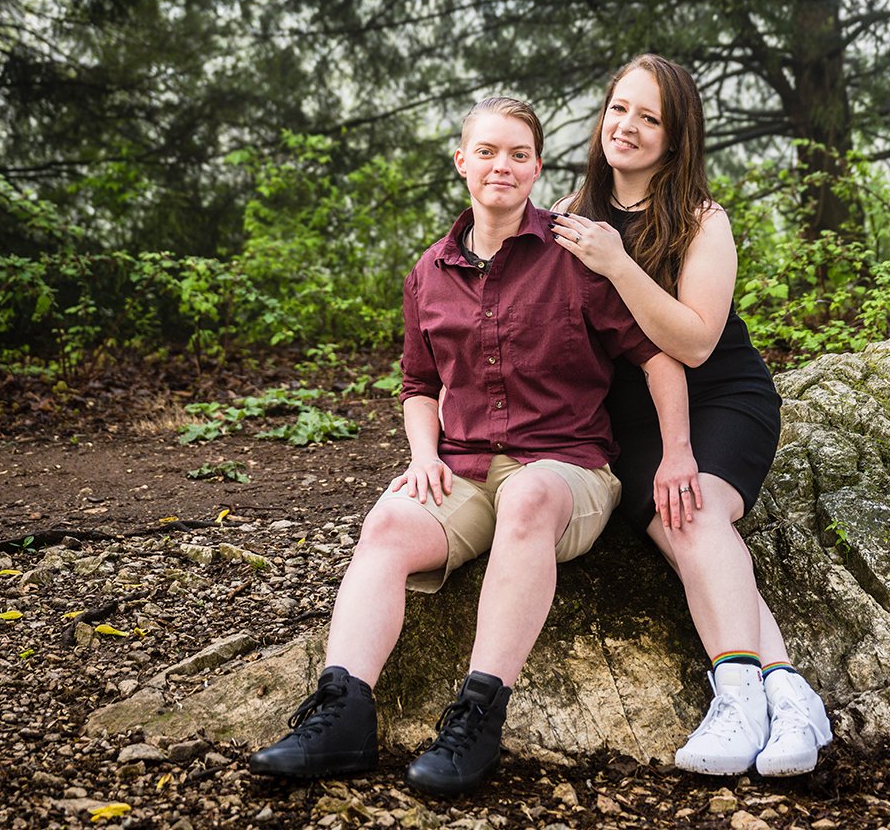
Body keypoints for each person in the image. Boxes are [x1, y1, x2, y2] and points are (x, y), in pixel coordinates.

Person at [247, 96, 696, 795]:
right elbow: (417, 384)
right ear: (462, 162)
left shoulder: (574, 253)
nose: (502, 166)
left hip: (565, 466)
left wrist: (677, 453)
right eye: (487, 152)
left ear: (538, 169)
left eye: (519, 154)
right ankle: (342, 718)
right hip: (464, 467)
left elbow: (657, 356)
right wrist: (423, 457)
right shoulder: (429, 272)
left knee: (530, 501)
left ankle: (476, 722)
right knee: (388, 522)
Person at [550, 55, 833, 777]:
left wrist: (618, 264)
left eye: (650, 118)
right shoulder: (568, 218)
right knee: (688, 538)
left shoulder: (703, 220)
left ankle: (735, 696)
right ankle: (787, 692)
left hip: (720, 400)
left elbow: (697, 340)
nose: (628, 127)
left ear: (676, 140)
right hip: (631, 423)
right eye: (620, 109)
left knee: (697, 511)